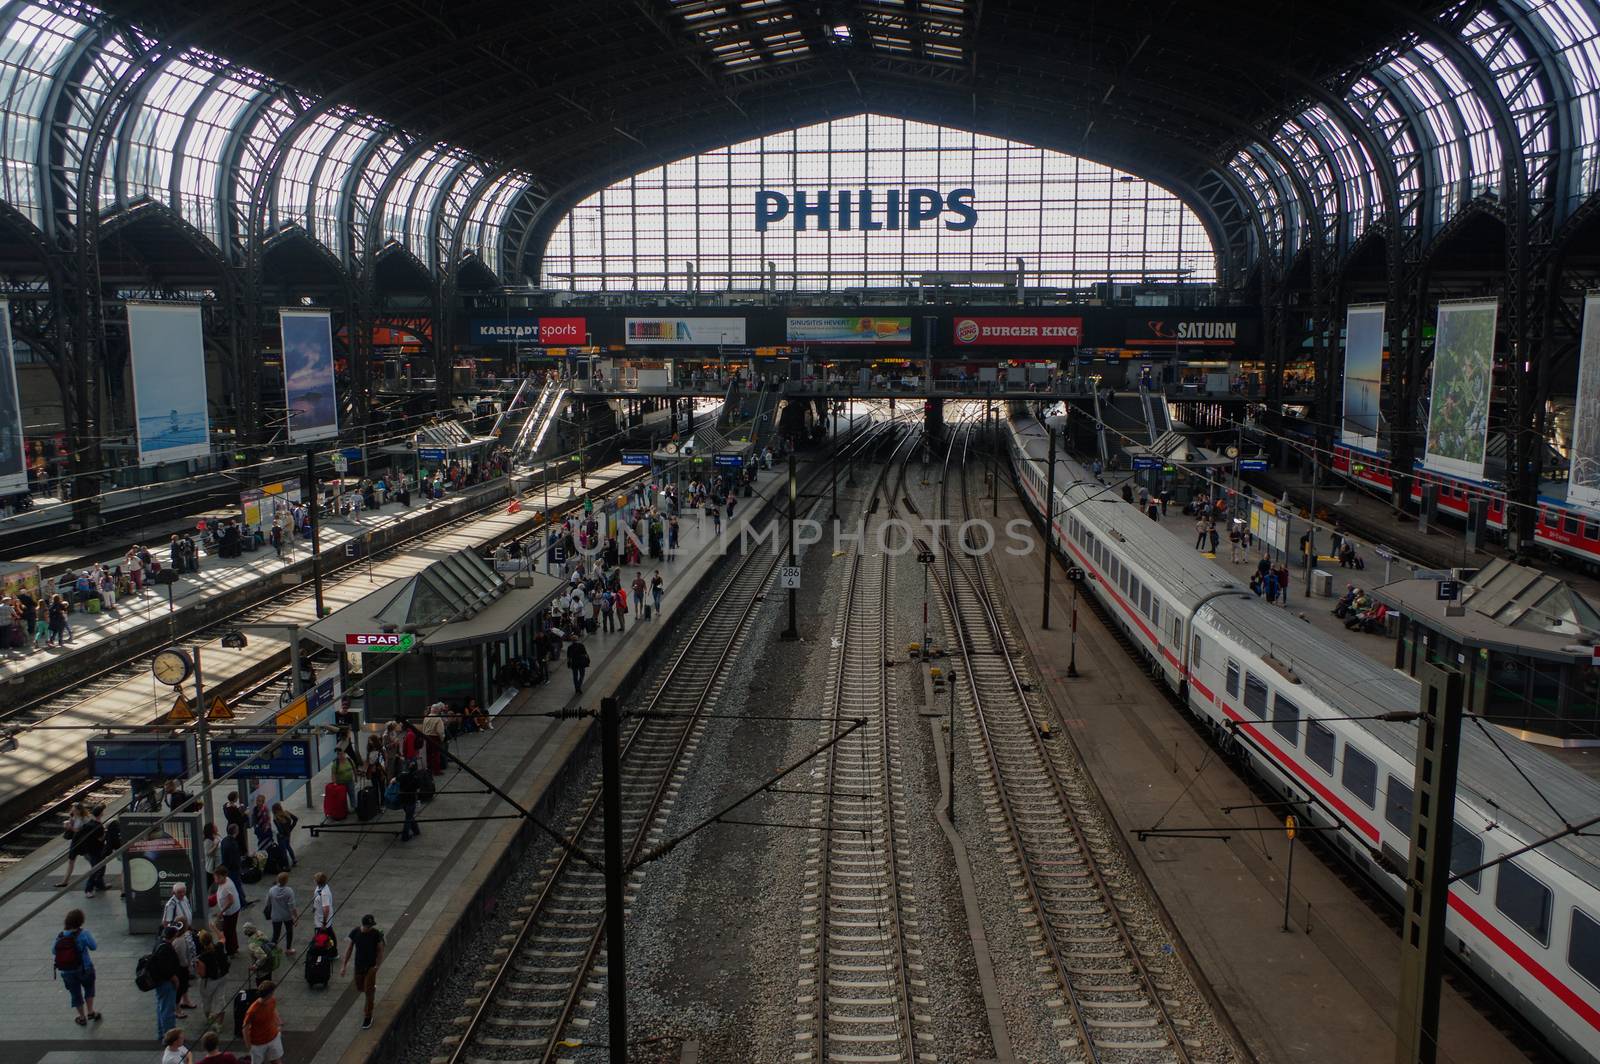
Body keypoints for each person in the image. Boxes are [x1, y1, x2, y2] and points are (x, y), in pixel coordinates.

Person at [52, 907, 98, 1026]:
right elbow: (94, 946)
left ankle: (82, 1017)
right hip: (85, 968)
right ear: (80, 921)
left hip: (67, 971)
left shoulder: (60, 936)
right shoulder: (84, 934)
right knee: (89, 988)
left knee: (75, 993)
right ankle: (91, 1012)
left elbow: (53, 951)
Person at [340, 914, 386, 1031]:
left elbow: (380, 950)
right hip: (359, 966)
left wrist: (377, 966)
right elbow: (350, 949)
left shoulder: (376, 934)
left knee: (368, 993)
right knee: (360, 988)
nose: (370, 928)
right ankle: (370, 987)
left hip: (371, 967)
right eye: (368, 926)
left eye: (371, 926)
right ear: (364, 925)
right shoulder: (356, 932)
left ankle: (368, 1015)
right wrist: (344, 965)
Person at [150, 923, 184, 1041]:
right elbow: (166, 969)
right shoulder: (166, 948)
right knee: (168, 1010)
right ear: (173, 936)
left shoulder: (159, 943)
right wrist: (175, 979)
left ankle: (162, 1034)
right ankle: (171, 1038)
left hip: (159, 982)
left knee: (161, 1007)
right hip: (166, 983)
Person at [193, 928, 229, 1034]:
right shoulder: (219, 947)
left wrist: (195, 967)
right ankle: (219, 1024)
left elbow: (202, 974)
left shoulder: (202, 957)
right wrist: (214, 928)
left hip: (209, 982)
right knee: (220, 1000)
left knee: (207, 1001)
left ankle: (210, 1018)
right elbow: (222, 937)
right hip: (222, 978)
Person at [241, 979, 284, 1064]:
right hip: (258, 1043)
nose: (273, 994)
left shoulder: (272, 1000)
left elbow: (273, 1010)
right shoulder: (253, 1010)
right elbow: (245, 1028)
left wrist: (278, 1022)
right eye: (272, 992)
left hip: (273, 1037)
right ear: (269, 994)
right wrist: (249, 1046)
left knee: (276, 1060)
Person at [57, 802, 90, 887]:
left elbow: (80, 831)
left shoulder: (84, 819)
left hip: (82, 842)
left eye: (74, 809)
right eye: (72, 809)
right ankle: (65, 881)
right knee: (71, 861)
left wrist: (71, 828)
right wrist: (68, 824)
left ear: (79, 810)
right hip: (75, 841)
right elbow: (73, 830)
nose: (72, 810)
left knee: (89, 858)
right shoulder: (73, 817)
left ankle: (97, 871)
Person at [78, 804, 107, 897]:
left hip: (89, 850)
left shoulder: (89, 824)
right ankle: (88, 889)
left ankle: (100, 884)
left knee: (101, 867)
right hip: (97, 850)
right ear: (101, 814)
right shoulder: (99, 826)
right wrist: (106, 833)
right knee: (96, 869)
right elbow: (101, 839)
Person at [265, 872, 296, 956]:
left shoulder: (272, 890)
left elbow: (267, 903)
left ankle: (271, 951)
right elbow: (292, 906)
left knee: (276, 934)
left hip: (276, 915)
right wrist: (295, 917)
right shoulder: (289, 891)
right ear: (286, 881)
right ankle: (288, 949)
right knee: (289, 932)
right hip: (287, 916)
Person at [212, 868, 241, 956]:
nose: (215, 880)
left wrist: (221, 912)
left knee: (228, 932)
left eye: (217, 877)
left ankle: (230, 951)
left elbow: (230, 901)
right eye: (215, 877)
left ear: (223, 876)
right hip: (232, 911)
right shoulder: (226, 880)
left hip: (230, 912)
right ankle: (234, 947)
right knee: (231, 930)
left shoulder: (227, 887)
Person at [397, 758, 421, 842]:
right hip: (411, 799)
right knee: (408, 817)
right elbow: (418, 788)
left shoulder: (403, 776)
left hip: (403, 799)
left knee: (409, 815)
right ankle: (405, 835)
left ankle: (416, 830)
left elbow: (395, 780)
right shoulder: (416, 778)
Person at [271, 802, 297, 868]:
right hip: (288, 834)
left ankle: (287, 865)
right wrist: (290, 828)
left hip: (281, 836)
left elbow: (279, 828)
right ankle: (294, 859)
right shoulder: (286, 813)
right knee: (288, 846)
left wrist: (281, 834)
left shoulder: (276, 818)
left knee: (283, 850)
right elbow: (295, 819)